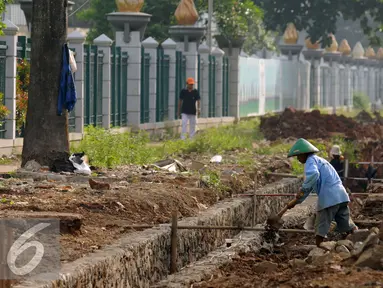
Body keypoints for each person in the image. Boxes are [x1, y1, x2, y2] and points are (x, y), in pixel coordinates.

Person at [287, 138, 358, 247]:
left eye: (298, 156)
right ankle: (359, 239)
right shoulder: (320, 160)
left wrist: (300, 193)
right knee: (345, 222)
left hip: (329, 197)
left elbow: (313, 176)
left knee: (321, 224)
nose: (298, 159)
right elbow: (312, 183)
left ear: (304, 154)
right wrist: (299, 198)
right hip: (341, 195)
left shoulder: (310, 161)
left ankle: (319, 248)